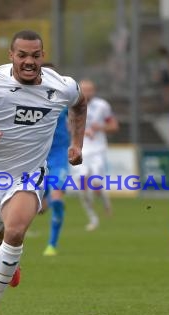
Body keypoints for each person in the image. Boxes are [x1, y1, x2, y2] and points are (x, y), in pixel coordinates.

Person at [0, 30, 87, 315]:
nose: (29, 61)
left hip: (29, 176)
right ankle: (6, 262)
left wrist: (77, 143)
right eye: (22, 55)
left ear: (43, 55)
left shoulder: (61, 86)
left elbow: (80, 105)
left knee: (15, 232)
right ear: (11, 56)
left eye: (35, 55)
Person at [70, 79, 119, 231]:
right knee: (82, 185)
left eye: (89, 89)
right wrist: (82, 131)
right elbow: (68, 126)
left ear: (94, 90)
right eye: (83, 89)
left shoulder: (102, 106)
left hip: (98, 150)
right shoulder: (72, 105)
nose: (87, 92)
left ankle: (105, 202)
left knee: (96, 185)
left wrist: (100, 127)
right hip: (80, 149)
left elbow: (114, 126)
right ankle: (93, 218)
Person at [40, 62, 70, 257]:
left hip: (59, 156)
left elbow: (78, 115)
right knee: (39, 209)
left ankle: (52, 244)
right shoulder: (27, 99)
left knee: (57, 199)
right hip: (36, 157)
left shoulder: (64, 99)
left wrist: (77, 143)